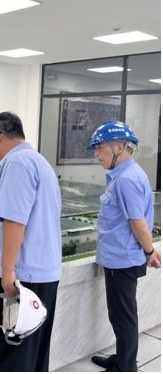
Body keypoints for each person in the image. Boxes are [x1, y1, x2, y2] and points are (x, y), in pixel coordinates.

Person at [0, 112, 62, 372]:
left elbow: (15, 221)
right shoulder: (35, 160)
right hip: (39, 273)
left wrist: (7, 272)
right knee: (34, 352)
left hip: (21, 277)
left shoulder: (17, 164)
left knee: (14, 354)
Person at [86, 121, 160, 372]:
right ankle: (122, 359)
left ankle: (126, 367)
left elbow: (138, 224)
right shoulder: (124, 174)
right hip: (120, 258)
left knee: (123, 317)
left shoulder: (127, 179)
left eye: (99, 148)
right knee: (120, 315)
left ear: (119, 146)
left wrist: (150, 252)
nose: (96, 154)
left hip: (122, 260)